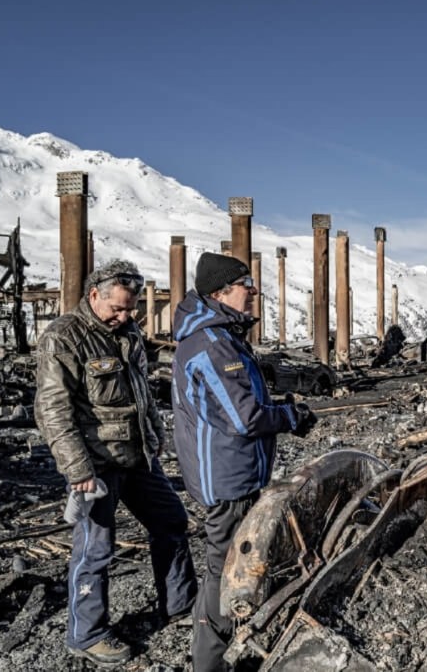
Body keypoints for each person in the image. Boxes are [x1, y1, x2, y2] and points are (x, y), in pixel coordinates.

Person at [35, 259, 198, 666]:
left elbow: (141, 394)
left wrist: (156, 437)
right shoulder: (64, 337)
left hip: (139, 458)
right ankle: (86, 634)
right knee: (95, 549)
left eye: (130, 310)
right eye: (118, 309)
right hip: (96, 464)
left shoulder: (128, 333)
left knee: (172, 522)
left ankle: (180, 605)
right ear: (94, 296)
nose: (125, 317)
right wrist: (78, 471)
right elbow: (53, 410)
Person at [172, 252, 316, 672]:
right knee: (225, 575)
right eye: (245, 283)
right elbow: (245, 417)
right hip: (227, 481)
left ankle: (229, 647)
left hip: (233, 474)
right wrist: (292, 416)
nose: (253, 290)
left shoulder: (220, 336)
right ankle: (211, 664)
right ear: (221, 292)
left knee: (230, 566)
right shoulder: (213, 345)